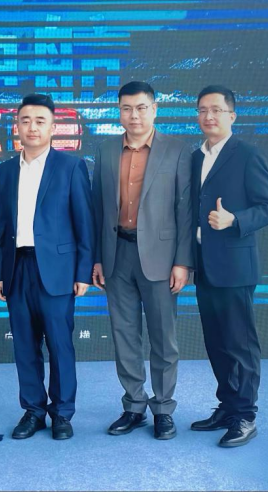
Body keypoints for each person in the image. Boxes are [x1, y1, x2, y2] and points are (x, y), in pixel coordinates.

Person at [92, 81, 192, 440]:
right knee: (124, 335)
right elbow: (97, 208)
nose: (133, 115)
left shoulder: (177, 150)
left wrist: (183, 262)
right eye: (126, 108)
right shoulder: (105, 150)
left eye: (141, 108)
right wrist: (97, 259)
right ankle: (134, 406)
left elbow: (185, 210)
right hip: (116, 253)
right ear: (118, 111)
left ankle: (163, 409)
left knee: (163, 337)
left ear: (154, 110)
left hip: (161, 259)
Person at [0, 93, 94, 441]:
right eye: (25, 121)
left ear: (52, 127)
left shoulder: (71, 167)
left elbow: (84, 223)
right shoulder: (4, 171)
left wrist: (82, 272)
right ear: (16, 126)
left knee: (60, 345)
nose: (32, 127)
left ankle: (62, 413)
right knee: (24, 345)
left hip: (58, 270)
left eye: (40, 121)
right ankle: (33, 410)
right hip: (16, 268)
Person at [190, 85, 268, 448]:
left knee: (240, 344)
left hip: (236, 266)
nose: (208, 116)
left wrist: (235, 220)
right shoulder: (195, 157)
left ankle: (245, 415)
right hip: (204, 265)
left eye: (216, 110)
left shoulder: (247, 155)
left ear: (232, 115)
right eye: (202, 110)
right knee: (216, 342)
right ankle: (227, 406)